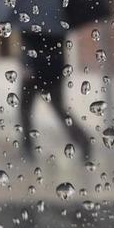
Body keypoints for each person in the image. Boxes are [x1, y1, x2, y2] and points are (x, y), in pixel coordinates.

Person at [18, 31, 90, 161]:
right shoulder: (57, 17)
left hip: (33, 70)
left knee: (25, 110)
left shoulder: (28, 17)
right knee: (59, 109)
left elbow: (28, 43)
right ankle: (83, 140)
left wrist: (26, 65)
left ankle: (27, 148)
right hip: (54, 69)